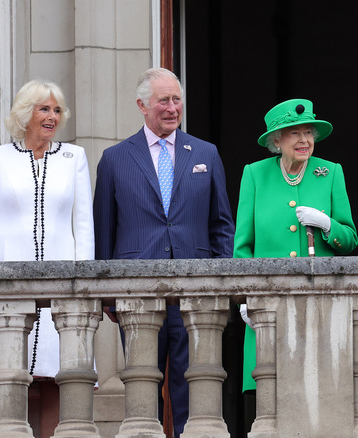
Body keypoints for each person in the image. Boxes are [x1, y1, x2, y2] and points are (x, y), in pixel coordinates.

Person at [93, 67, 235, 437]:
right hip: (137, 294)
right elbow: (104, 230)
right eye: (163, 101)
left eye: (177, 99)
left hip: (196, 294)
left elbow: (221, 224)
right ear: (142, 105)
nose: (172, 108)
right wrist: (107, 295)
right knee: (142, 387)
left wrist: (223, 281)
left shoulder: (206, 153)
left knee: (195, 386)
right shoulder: (114, 158)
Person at [0, 80, 94, 438]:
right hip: (6, 286)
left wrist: (84, 286)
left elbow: (83, 226)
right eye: (44, 109)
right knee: (10, 376)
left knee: (57, 376)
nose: (52, 116)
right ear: (26, 114)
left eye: (57, 110)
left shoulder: (74, 158)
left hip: (61, 289)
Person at [235, 98, 358, 427]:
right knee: (270, 398)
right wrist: (245, 297)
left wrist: (327, 224)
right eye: (294, 133)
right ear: (277, 141)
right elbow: (242, 246)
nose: (304, 140)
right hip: (269, 305)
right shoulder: (255, 175)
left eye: (309, 132)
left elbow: (349, 239)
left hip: (318, 304)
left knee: (320, 394)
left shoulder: (330, 172)